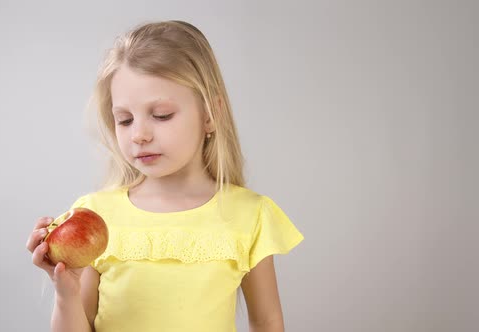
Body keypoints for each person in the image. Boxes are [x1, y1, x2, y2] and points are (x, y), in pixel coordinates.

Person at [26, 19, 304, 332]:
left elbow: (266, 321)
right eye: (125, 120)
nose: (139, 135)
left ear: (211, 114)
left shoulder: (250, 214)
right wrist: (66, 291)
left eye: (161, 115)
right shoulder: (97, 215)